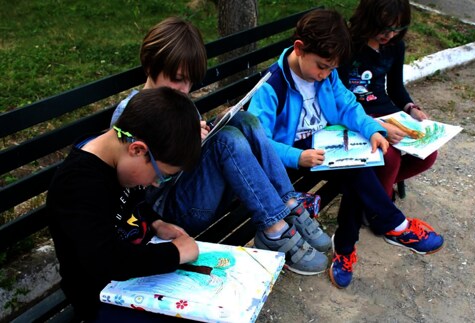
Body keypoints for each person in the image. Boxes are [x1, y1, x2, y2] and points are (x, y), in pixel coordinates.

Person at [110, 17, 331, 276]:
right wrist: (191, 147)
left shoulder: (179, 102)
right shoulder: (131, 113)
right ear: (150, 65)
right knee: (226, 141)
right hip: (168, 209)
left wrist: (203, 133)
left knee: (244, 119)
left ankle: (289, 204)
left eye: (190, 83)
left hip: (194, 192)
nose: (183, 90)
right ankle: (274, 231)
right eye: (176, 79)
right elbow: (136, 181)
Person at [248, 9, 444, 289]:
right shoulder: (272, 87)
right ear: (300, 48)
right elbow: (260, 143)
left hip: (325, 145)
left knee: (358, 171)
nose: (325, 75)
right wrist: (296, 156)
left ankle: (345, 247)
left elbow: (347, 104)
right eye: (322, 67)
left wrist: (372, 129)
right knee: (357, 173)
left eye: (331, 69)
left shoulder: (325, 75)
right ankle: (392, 224)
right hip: (295, 154)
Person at [48, 88, 204, 322]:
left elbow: (134, 202)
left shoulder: (121, 162)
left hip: (136, 280)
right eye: (161, 175)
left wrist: (155, 221)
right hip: (102, 296)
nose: (155, 182)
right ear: (138, 149)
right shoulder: (78, 185)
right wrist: (174, 253)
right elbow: (105, 261)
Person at [338, 0, 438, 200]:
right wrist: (375, 124)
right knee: (389, 156)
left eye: (397, 29)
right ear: (369, 18)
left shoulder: (395, 46)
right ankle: (381, 210)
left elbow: (395, 87)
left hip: (387, 110)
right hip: (355, 113)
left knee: (428, 153)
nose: (390, 34)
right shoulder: (347, 44)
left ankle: (373, 196)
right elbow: (337, 96)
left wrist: (411, 108)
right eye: (385, 28)